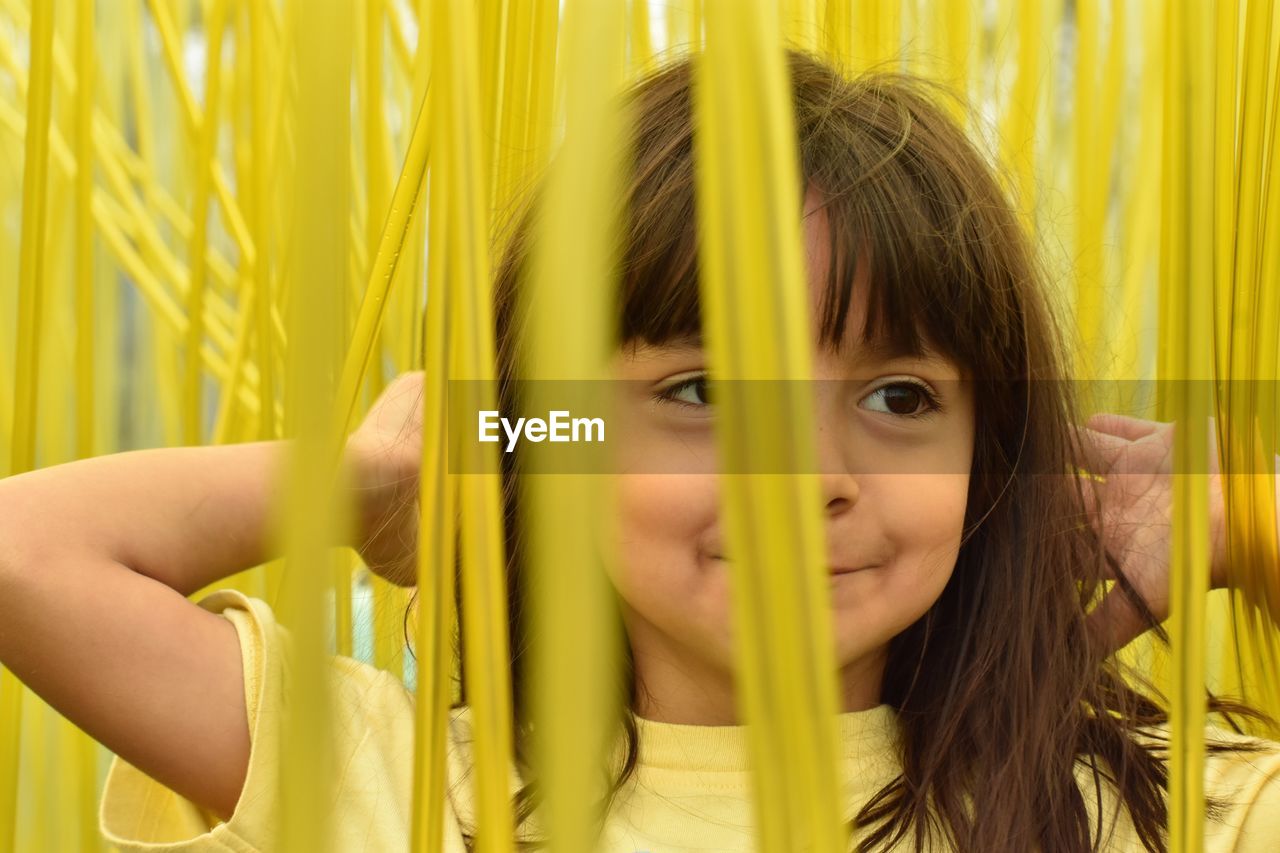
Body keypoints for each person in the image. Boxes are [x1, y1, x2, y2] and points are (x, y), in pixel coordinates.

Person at [0, 50, 1277, 853]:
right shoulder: (397, 790)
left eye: (896, 398)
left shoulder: (1154, 811)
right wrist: (383, 480)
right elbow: (27, 554)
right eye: (703, 389)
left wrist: (1245, 522)